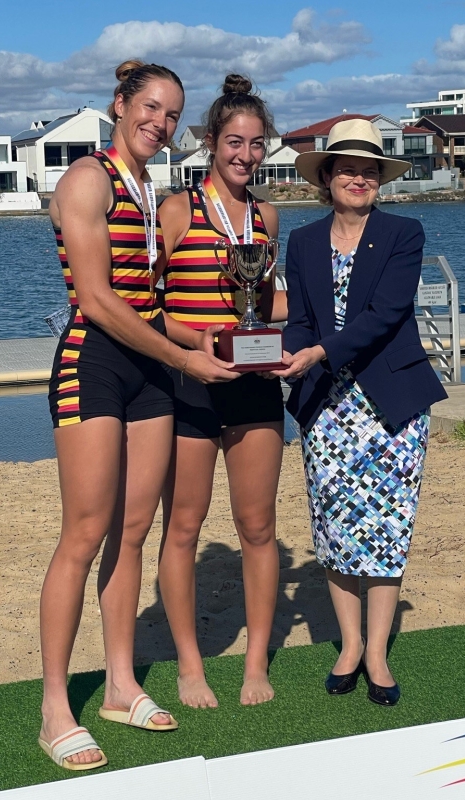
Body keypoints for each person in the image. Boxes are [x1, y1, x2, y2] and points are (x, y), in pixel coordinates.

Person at [39, 60, 238, 771]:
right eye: (150, 107)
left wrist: (209, 344)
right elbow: (95, 300)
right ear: (119, 105)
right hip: (91, 364)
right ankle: (56, 706)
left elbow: (153, 306)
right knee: (85, 533)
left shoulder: (151, 190)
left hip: (148, 366)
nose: (160, 122)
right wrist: (183, 360)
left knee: (131, 531)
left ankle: (121, 686)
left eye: (171, 114)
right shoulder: (87, 179)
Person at [273, 118, 447, 706]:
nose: (359, 178)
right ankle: (349, 644)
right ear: (327, 177)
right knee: (335, 529)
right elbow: (299, 320)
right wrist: (293, 356)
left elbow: (386, 315)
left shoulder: (404, 232)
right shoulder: (300, 242)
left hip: (391, 408)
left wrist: (319, 350)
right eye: (347, 168)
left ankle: (377, 653)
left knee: (387, 531)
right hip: (327, 408)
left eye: (369, 170)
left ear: (381, 180)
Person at [157, 75, 284, 708]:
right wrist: (197, 340)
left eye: (257, 144)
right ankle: (188, 664)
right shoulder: (176, 210)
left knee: (258, 526)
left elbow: (265, 301)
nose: (246, 155)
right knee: (184, 525)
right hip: (191, 382)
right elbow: (145, 304)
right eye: (234, 142)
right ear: (210, 142)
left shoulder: (267, 216)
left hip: (256, 382)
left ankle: (256, 661)